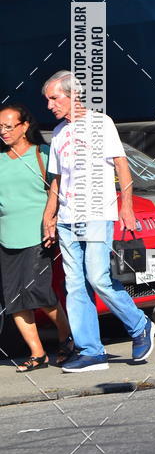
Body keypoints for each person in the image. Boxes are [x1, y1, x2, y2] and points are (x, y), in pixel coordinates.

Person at [41, 71, 155, 372]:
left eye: (54, 98)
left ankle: (140, 324)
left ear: (72, 95)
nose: (50, 105)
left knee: (98, 278)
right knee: (75, 285)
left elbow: (122, 165)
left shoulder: (101, 124)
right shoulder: (58, 134)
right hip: (67, 218)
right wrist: (49, 215)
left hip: (97, 214)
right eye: (48, 100)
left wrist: (126, 207)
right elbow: (57, 180)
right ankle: (91, 351)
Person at [0, 104, 73, 372]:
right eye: (0, 127)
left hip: (37, 234)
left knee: (37, 291)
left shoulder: (42, 154)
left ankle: (67, 337)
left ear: (24, 126)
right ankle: (38, 352)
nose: (3, 132)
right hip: (6, 236)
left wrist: (51, 222)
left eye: (9, 126)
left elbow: (58, 192)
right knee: (13, 298)